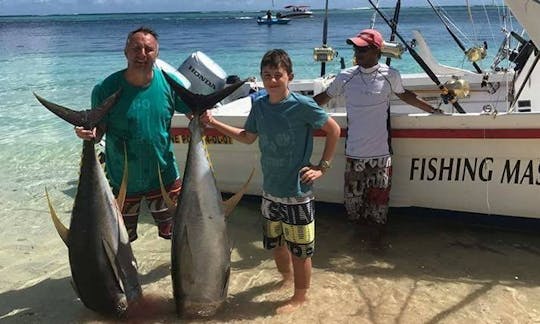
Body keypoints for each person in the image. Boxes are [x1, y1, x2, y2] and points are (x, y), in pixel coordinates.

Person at [201, 49, 340, 314]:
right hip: (271, 192)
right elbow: (248, 136)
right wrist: (214, 123)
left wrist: (322, 167)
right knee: (276, 246)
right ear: (262, 79)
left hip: (297, 193)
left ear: (290, 76)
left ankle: (300, 297)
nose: (273, 80)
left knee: (301, 252)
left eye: (278, 75)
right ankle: (286, 280)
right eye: (267, 76)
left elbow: (333, 129)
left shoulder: (302, 105)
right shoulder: (260, 105)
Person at [314, 29, 442, 249]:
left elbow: (406, 96)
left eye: (362, 49)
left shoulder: (390, 75)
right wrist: (294, 110)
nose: (357, 52)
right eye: (355, 48)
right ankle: (357, 244)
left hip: (382, 158)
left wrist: (434, 111)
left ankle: (376, 246)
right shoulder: (345, 76)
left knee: (379, 211)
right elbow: (322, 99)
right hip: (354, 156)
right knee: (353, 210)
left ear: (376, 51)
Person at [75, 26, 190, 242]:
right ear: (125, 51)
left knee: (177, 234)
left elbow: (193, 111)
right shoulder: (105, 88)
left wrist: (203, 115)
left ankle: (180, 274)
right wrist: (88, 133)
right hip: (122, 179)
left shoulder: (170, 85)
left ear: (157, 54)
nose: (142, 54)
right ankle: (123, 275)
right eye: (136, 48)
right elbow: (99, 131)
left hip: (164, 175)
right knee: (120, 239)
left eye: (149, 49)